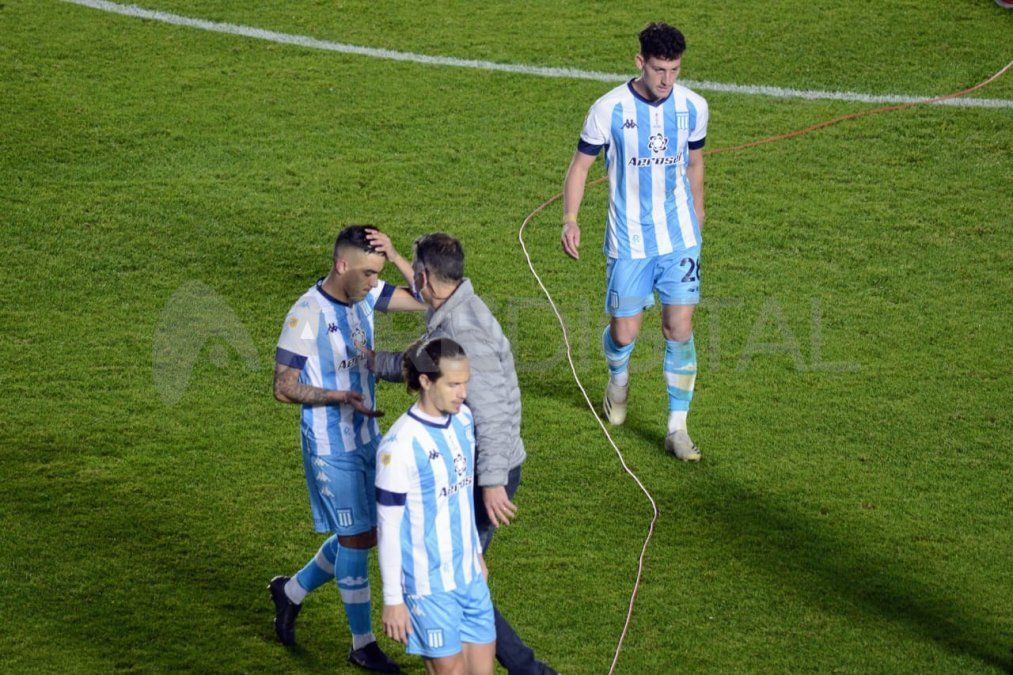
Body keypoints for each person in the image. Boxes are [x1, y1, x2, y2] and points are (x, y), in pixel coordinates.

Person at [372, 233, 555, 675]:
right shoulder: (455, 306)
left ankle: (528, 669)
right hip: (475, 460)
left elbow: (492, 412)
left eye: (414, 272)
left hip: (483, 471)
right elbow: (424, 366)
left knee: (462, 575)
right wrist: (397, 257)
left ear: (425, 279)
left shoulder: (462, 331)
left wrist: (492, 482)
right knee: (467, 574)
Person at [268, 225, 423, 673]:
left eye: (378, 274)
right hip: (330, 444)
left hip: (366, 438)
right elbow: (283, 387)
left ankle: (292, 591)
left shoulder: (366, 296)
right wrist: (339, 397)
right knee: (357, 536)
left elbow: (428, 297)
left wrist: (394, 255)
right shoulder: (305, 314)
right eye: (369, 274)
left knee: (367, 533)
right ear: (342, 266)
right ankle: (362, 644)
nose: (375, 283)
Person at [561, 22, 709, 461]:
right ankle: (618, 379)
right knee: (624, 333)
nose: (667, 80)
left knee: (678, 327)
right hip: (628, 242)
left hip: (680, 238)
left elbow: (696, 162)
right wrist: (570, 219)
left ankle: (677, 428)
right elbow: (580, 168)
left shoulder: (693, 106)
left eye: (675, 70)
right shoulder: (608, 110)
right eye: (659, 69)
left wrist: (698, 214)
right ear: (639, 63)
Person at [375, 338, 495, 675]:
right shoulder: (398, 448)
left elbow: (461, 496)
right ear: (426, 382)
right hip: (428, 588)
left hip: (469, 576)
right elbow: (388, 529)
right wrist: (393, 599)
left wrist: (476, 553)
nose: (463, 392)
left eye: (466, 382)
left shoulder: (464, 421)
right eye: (454, 384)